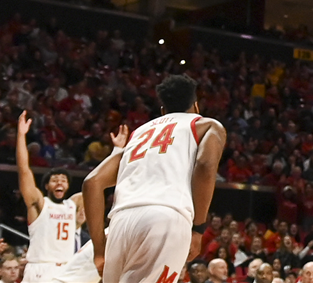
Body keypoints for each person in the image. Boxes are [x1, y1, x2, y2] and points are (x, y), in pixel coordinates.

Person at [83, 75, 227, 283]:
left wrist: (99, 249)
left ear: (162, 111)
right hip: (166, 216)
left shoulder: (138, 134)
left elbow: (92, 182)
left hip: (120, 223)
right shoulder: (206, 125)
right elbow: (205, 166)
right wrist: (198, 229)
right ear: (195, 107)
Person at [48, 125, 131, 283]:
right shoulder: (115, 235)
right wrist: (118, 153)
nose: (83, 213)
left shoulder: (107, 234)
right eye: (80, 210)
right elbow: (92, 185)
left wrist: (117, 151)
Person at [18, 111, 83, 283]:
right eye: (55, 180)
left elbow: (97, 184)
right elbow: (24, 170)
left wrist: (117, 150)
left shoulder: (74, 203)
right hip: (42, 269)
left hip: (66, 268)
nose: (59, 183)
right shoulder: (39, 203)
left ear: (68, 186)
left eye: (63, 180)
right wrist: (21, 135)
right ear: (46, 186)